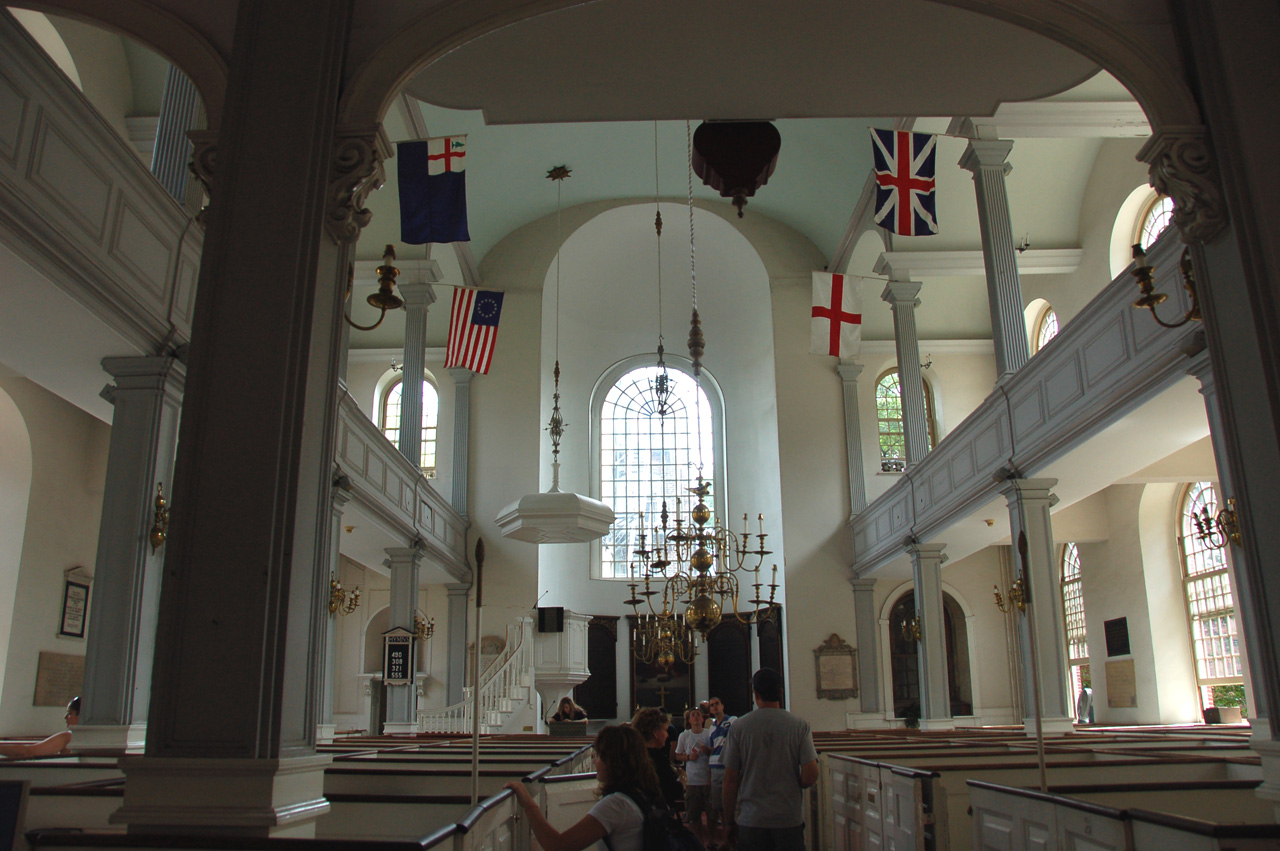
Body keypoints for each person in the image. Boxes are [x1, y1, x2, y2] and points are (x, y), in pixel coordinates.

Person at [505, 724, 661, 851]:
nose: (594, 762)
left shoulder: (617, 804)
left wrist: (528, 803)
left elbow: (558, 846)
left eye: (598, 756)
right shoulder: (641, 792)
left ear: (614, 761)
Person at [721, 669, 818, 851]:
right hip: (788, 818)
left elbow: (730, 780)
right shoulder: (799, 725)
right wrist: (794, 783)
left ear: (756, 694)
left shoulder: (739, 727)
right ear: (780, 692)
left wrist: (728, 822)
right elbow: (811, 774)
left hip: (752, 819)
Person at [631, 706, 682, 810]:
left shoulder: (633, 754)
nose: (667, 735)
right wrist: (683, 779)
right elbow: (671, 792)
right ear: (655, 733)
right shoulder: (658, 759)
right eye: (665, 730)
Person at [676, 707, 712, 847]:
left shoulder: (709, 734)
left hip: (708, 778)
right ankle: (699, 842)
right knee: (694, 814)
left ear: (702, 719)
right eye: (693, 715)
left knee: (711, 813)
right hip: (693, 780)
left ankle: (711, 840)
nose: (696, 717)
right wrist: (689, 757)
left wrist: (708, 751)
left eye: (698, 715)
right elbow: (678, 755)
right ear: (689, 720)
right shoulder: (684, 736)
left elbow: (716, 752)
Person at [0, 696, 78, 759]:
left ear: (81, 716)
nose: (65, 717)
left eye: (70, 713)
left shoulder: (67, 737)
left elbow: (29, 752)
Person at [705, 695, 736, 846]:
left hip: (728, 766)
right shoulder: (711, 728)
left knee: (729, 806)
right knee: (716, 806)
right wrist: (706, 750)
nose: (715, 707)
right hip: (715, 767)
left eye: (717, 704)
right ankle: (719, 839)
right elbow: (713, 747)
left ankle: (729, 839)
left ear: (722, 706)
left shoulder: (732, 721)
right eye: (712, 705)